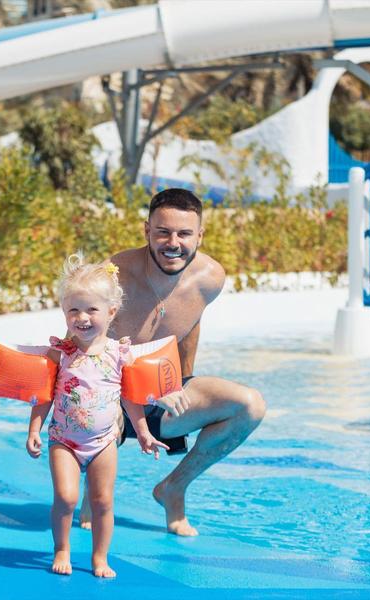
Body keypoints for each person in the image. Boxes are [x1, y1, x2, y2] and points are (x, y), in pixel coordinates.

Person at [80, 188, 266, 537]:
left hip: (163, 394)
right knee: (103, 410)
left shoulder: (210, 278)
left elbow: (190, 325)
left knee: (249, 406)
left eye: (184, 233)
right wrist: (119, 395)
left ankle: (174, 487)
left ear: (200, 235)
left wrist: (180, 383)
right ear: (146, 230)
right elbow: (79, 347)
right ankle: (95, 493)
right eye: (163, 232)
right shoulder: (114, 276)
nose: (173, 243)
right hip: (109, 393)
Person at [26, 254, 168, 578]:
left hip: (104, 441)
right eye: (73, 310)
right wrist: (34, 429)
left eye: (92, 310)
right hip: (64, 439)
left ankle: (100, 558)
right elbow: (44, 394)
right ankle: (62, 548)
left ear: (111, 311)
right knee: (66, 498)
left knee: (103, 501)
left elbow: (130, 398)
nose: (82, 318)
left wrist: (143, 432)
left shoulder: (119, 353)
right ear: (64, 311)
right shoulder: (61, 352)